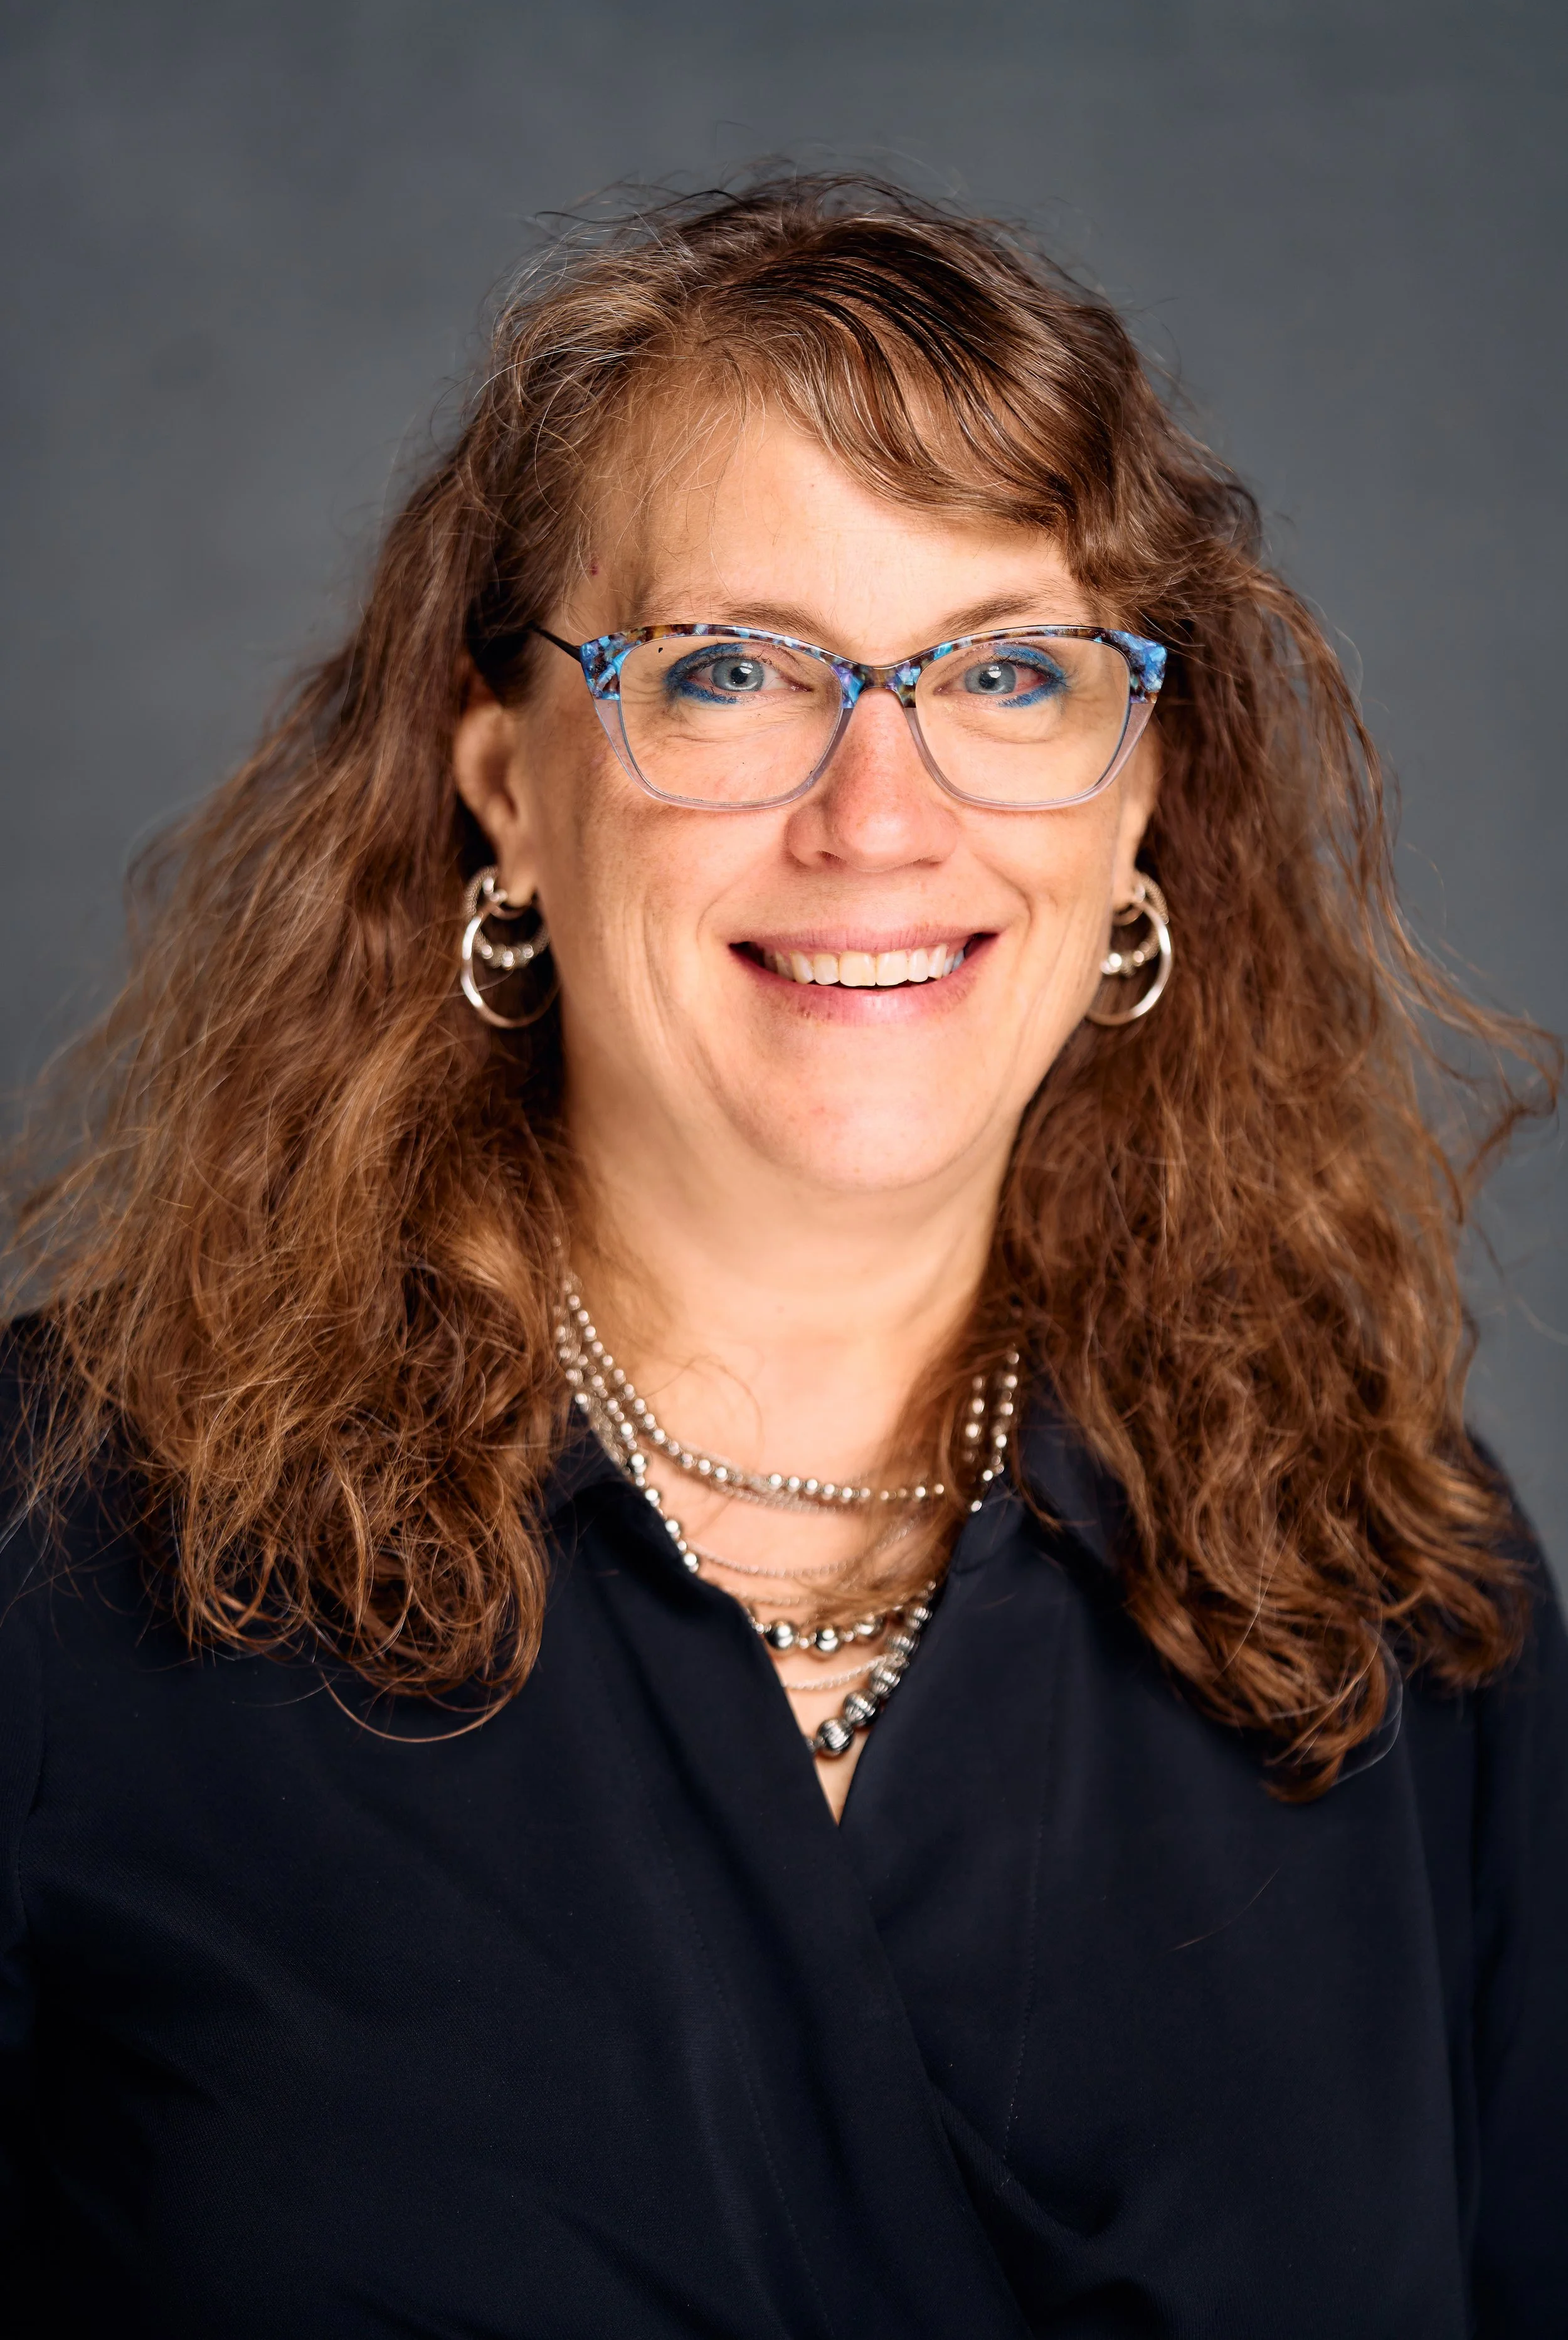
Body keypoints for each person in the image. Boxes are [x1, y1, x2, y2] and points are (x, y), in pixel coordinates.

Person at [1, 174, 1563, 2338]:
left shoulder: (1407, 1590)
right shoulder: (59, 1544)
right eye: (731, 669)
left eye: (1004, 672)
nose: (878, 817)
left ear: (1136, 797)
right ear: (504, 788)